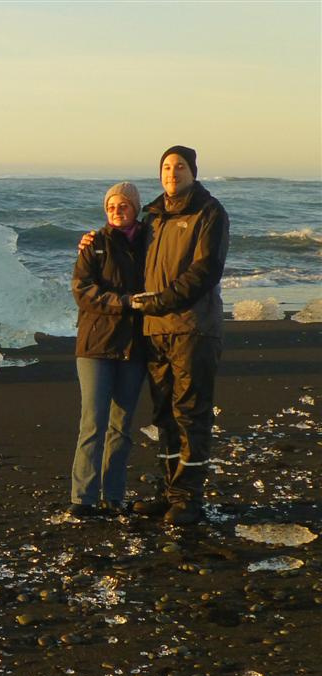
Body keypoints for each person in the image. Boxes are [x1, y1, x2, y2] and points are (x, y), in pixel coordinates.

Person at [120, 146, 229, 525]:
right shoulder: (153, 216)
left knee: (190, 413)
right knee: (164, 415)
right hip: (155, 330)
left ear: (192, 172)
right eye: (166, 166)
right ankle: (169, 493)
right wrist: (93, 241)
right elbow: (124, 251)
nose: (172, 172)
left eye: (179, 166)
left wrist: (163, 301)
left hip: (193, 328)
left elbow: (206, 270)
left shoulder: (209, 212)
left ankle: (189, 498)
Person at [67, 182, 147, 517]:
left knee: (122, 425)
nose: (117, 211)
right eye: (111, 206)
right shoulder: (94, 244)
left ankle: (113, 496)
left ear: (136, 208)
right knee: (93, 422)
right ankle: (82, 498)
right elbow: (82, 289)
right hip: (95, 344)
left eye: (124, 205)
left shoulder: (152, 242)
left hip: (135, 344)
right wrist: (125, 302)